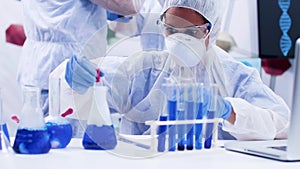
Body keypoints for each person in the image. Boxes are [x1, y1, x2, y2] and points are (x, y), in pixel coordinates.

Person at [65, 0, 290, 140]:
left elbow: (283, 124)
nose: (179, 41)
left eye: (190, 33)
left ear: (211, 30)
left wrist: (228, 110)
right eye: (171, 30)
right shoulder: (144, 70)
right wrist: (82, 77)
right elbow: (94, 82)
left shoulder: (234, 75)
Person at [17, 0, 145, 116]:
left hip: (35, 67)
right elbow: (131, 5)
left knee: (39, 132)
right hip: (73, 72)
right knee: (70, 136)